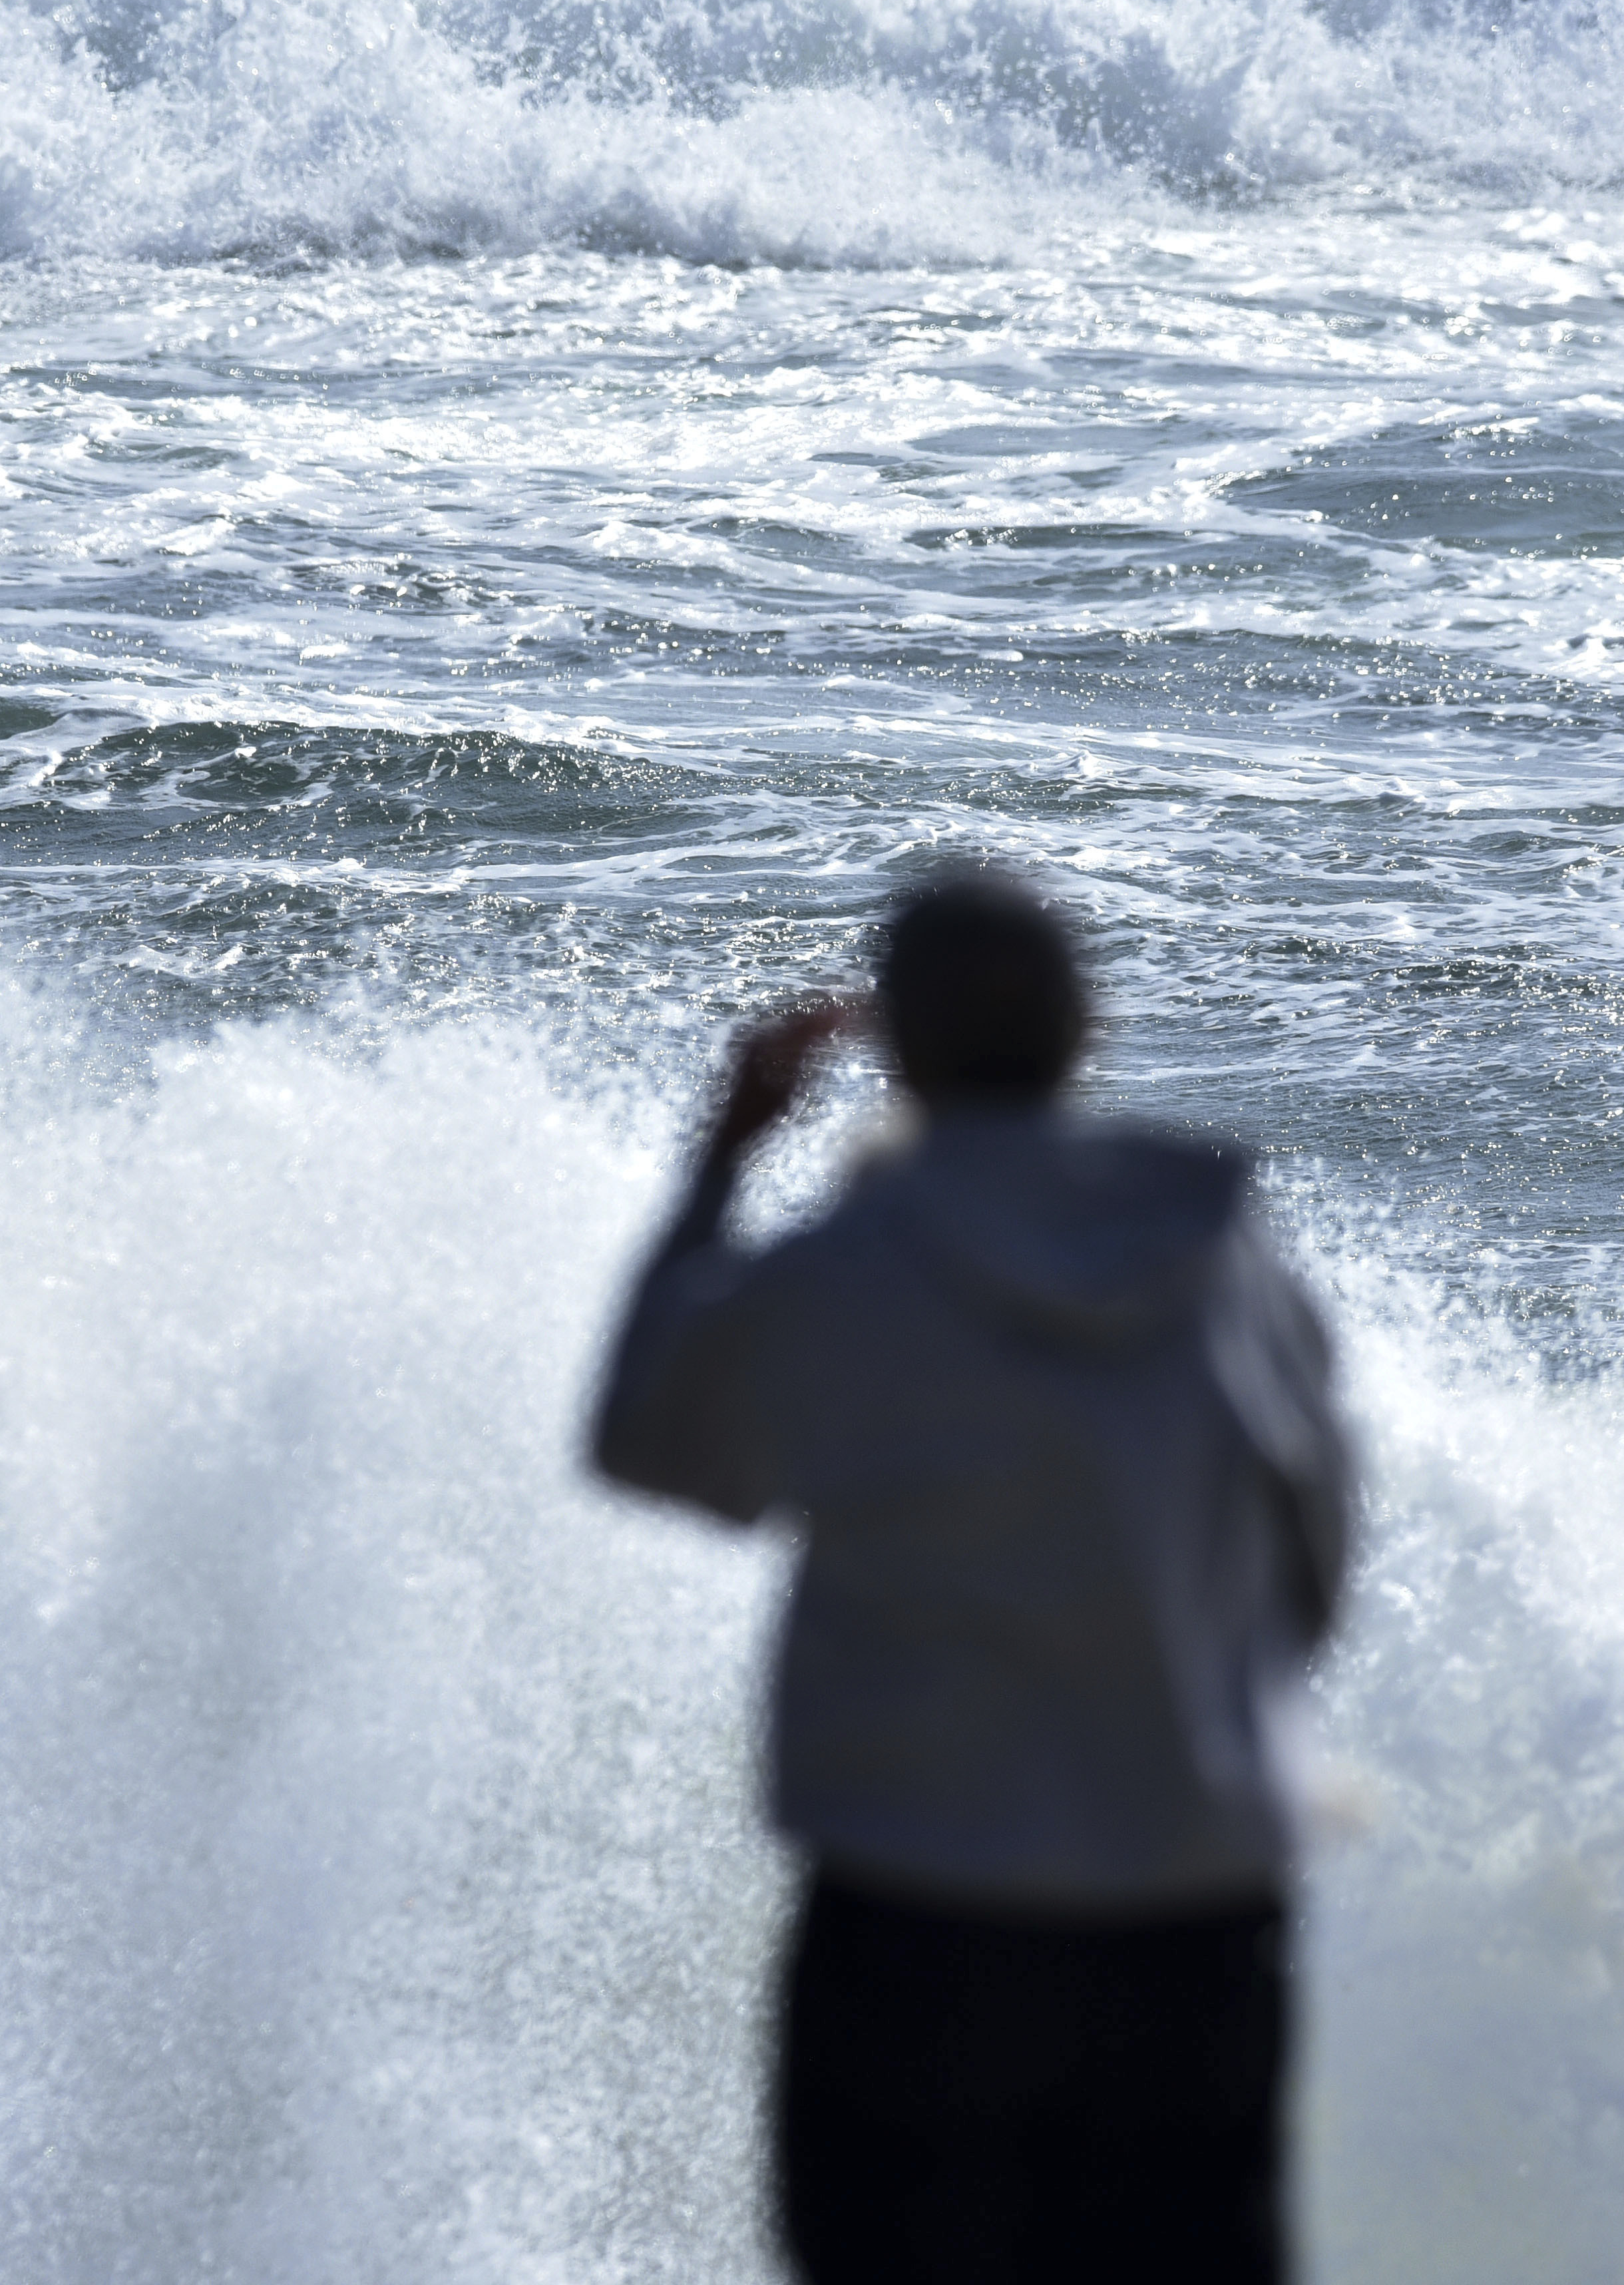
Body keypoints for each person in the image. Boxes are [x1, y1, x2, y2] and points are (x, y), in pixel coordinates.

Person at [590, 869, 1354, 2285]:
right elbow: (1311, 1552)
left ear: (891, 1046)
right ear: (1085, 1029)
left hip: (922, 1912)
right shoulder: (1219, 1247)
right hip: (1192, 1901)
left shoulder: (853, 1261)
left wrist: (720, 1158)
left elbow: (644, 1434)